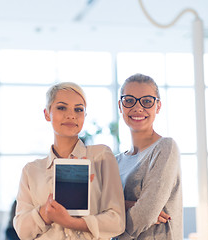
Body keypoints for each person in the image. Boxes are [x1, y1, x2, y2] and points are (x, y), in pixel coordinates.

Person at [13, 82, 125, 240]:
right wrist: (46, 212)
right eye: (61, 107)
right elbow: (22, 231)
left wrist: (70, 222)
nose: (71, 115)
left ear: (84, 115)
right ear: (47, 113)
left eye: (78, 109)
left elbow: (117, 221)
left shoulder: (101, 157)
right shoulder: (31, 170)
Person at [115, 73, 183, 239]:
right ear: (120, 106)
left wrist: (110, 223)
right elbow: (99, 208)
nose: (138, 108)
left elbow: (145, 214)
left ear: (158, 106)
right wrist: (128, 205)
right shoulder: (116, 161)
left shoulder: (165, 147)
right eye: (129, 100)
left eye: (146, 101)